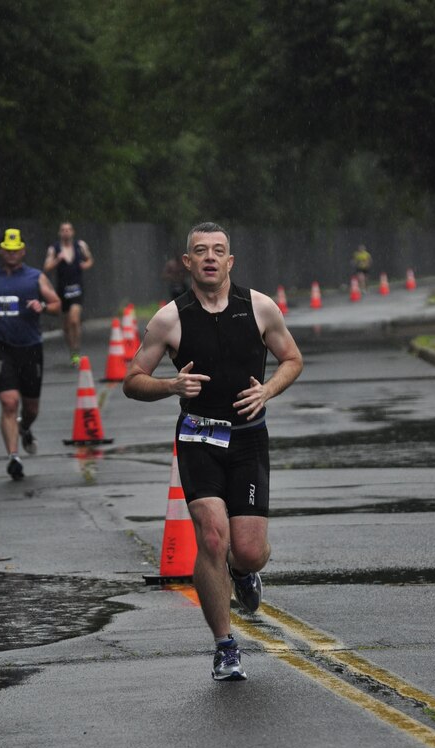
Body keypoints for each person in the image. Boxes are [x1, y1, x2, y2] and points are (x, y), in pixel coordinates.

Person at [123, 222, 303, 681]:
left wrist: (268, 391)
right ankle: (225, 645)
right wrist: (170, 385)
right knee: (211, 537)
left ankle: (243, 574)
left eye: (217, 250)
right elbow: (131, 380)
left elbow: (292, 359)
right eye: (199, 251)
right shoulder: (169, 318)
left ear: (230, 261)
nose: (208, 257)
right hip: (198, 436)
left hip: (247, 438)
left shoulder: (259, 307)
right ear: (187, 262)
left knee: (248, 550)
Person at [0, 228, 61, 480]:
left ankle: (24, 428)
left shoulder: (36, 277)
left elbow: (56, 304)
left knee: (31, 408)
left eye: (16, 250)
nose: (11, 254)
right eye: (7, 250)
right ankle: (13, 457)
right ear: (1, 251)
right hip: (2, 348)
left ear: (22, 251)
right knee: (9, 403)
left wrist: (41, 305)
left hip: (30, 348)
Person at [43, 222, 94, 366]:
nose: (66, 232)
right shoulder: (54, 249)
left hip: (77, 288)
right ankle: (72, 350)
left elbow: (90, 259)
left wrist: (86, 264)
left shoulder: (80, 246)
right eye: (63, 230)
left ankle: (76, 349)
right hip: (62, 291)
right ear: (60, 233)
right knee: (66, 326)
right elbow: (46, 267)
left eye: (68, 230)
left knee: (74, 320)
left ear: (73, 232)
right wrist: (58, 260)